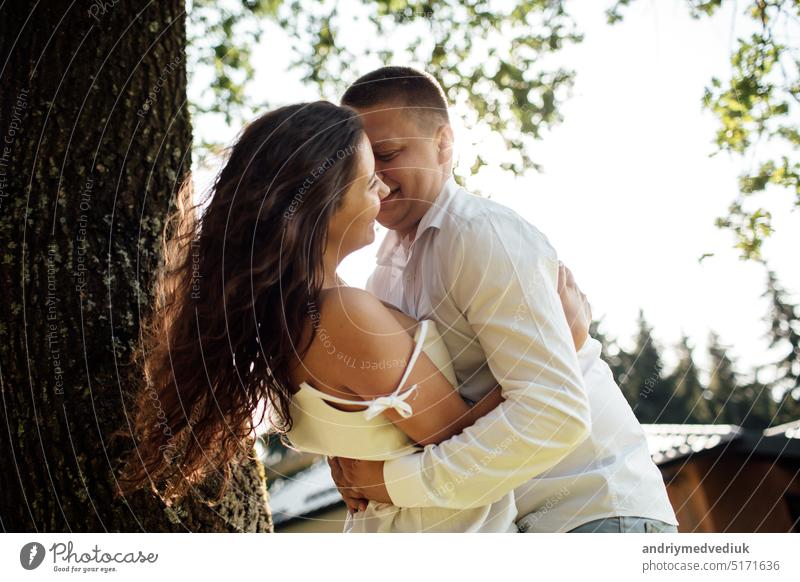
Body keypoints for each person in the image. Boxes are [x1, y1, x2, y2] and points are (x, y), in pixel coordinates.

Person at [113, 100, 590, 533]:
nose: (381, 189)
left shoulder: (291, 315)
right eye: (368, 181)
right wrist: (556, 347)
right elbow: (461, 440)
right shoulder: (341, 314)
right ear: (322, 204)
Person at [327, 66, 679, 534]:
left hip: (594, 514)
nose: (377, 178)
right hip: (512, 527)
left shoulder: (481, 235)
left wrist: (393, 483)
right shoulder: (380, 279)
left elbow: (552, 410)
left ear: (443, 144)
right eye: (365, 163)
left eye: (388, 154)